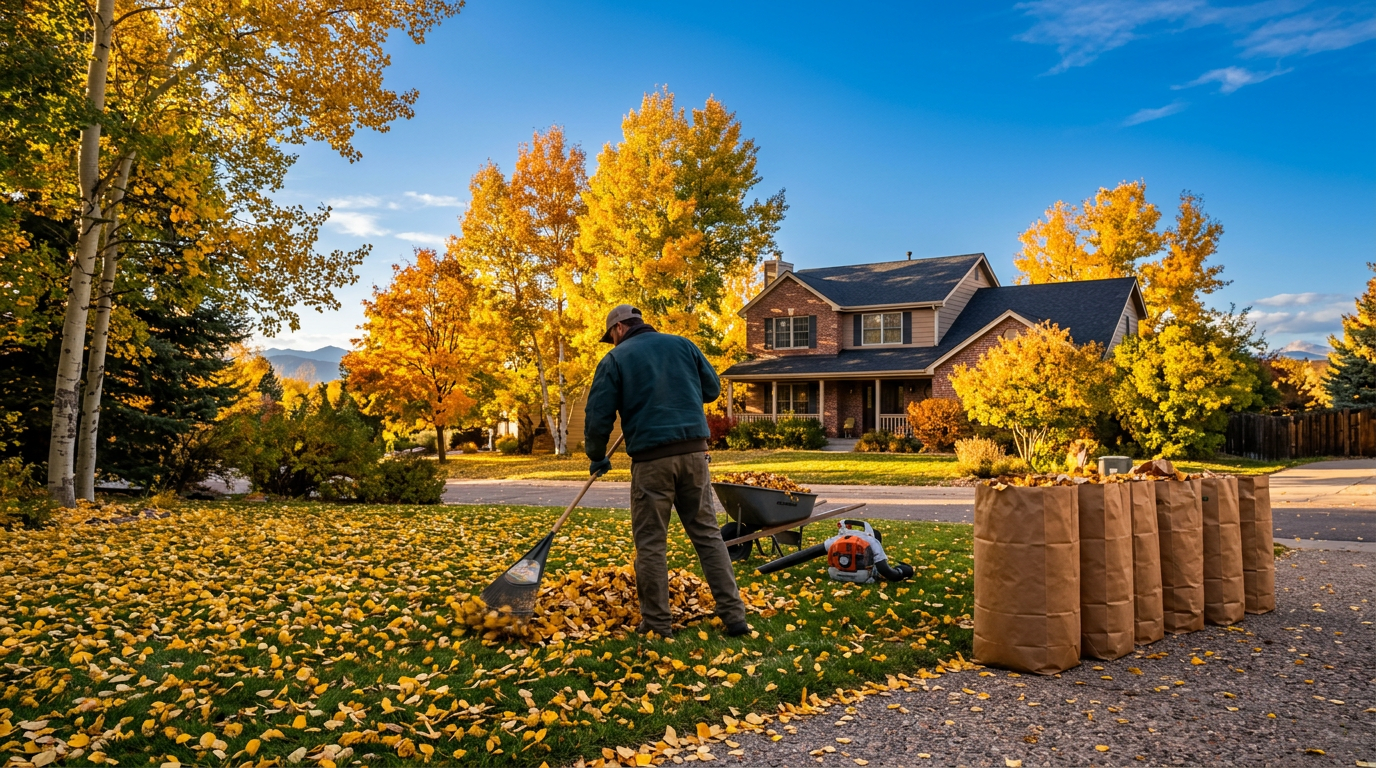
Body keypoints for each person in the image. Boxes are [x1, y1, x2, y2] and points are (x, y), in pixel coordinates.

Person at [584, 304, 750, 638]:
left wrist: (597, 455)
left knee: (651, 544)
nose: (612, 342)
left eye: (611, 337)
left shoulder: (616, 359)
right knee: (707, 535)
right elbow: (712, 390)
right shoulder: (684, 345)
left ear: (618, 329)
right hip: (695, 454)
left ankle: (659, 625)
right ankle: (735, 618)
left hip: (651, 461)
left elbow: (598, 414)